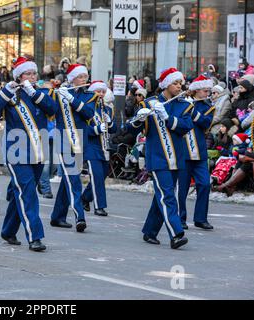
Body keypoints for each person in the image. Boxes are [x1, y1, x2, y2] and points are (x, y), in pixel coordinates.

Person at [0, 57, 57, 251]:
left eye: (34, 73)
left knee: (22, 192)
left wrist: (34, 93)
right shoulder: (11, 94)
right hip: (16, 152)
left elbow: (52, 110)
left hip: (38, 151)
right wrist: (6, 91)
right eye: (28, 74)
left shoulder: (41, 93)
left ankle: (9, 230)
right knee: (28, 193)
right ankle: (35, 236)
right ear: (19, 76)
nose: (32, 77)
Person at [128, 67, 194, 249]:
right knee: (167, 195)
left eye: (180, 82)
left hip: (176, 158)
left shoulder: (184, 105)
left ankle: (150, 231)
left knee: (163, 196)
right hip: (157, 158)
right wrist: (138, 119)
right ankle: (176, 233)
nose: (179, 86)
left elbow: (186, 126)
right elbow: (130, 129)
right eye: (175, 83)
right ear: (165, 85)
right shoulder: (148, 103)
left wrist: (168, 118)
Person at [50, 64, 95, 232]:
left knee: (68, 180)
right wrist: (53, 91)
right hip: (63, 141)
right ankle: (80, 217)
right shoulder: (59, 94)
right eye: (81, 76)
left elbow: (89, 114)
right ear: (72, 79)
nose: (85, 79)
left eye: (85, 76)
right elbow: (49, 109)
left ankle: (57, 216)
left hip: (79, 142)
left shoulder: (90, 95)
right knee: (74, 180)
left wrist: (72, 100)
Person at [178, 75, 215, 230]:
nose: (208, 94)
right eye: (205, 91)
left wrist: (192, 111)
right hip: (184, 152)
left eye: (208, 91)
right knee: (182, 187)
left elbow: (206, 123)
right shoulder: (181, 103)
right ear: (196, 90)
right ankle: (180, 218)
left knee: (204, 184)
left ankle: (200, 218)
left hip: (199, 153)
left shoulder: (207, 106)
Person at [81, 81, 117, 216]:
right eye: (98, 91)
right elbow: (82, 129)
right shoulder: (87, 107)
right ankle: (99, 206)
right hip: (91, 146)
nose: (101, 94)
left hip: (104, 147)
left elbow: (114, 129)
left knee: (102, 175)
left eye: (103, 91)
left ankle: (84, 198)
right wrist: (96, 129)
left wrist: (110, 122)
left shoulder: (107, 109)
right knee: (96, 175)